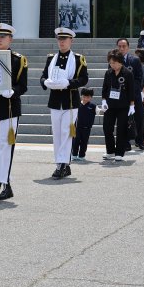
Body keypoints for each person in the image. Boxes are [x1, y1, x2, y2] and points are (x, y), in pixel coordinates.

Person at [0, 22, 28, 204]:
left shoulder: (19, 59)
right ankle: (6, 183)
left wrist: (13, 91)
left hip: (9, 108)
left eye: (3, 37)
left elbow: (23, 85)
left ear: (10, 39)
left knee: (5, 145)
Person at [40, 27, 89, 179]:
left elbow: (83, 79)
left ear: (71, 41)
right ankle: (62, 164)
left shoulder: (77, 59)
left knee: (66, 133)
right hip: (55, 101)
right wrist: (45, 82)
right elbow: (43, 76)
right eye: (59, 39)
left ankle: (62, 164)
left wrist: (68, 83)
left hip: (70, 101)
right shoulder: (51, 58)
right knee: (57, 134)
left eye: (64, 39)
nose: (61, 42)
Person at [100, 49, 136, 161]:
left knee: (121, 129)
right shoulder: (108, 72)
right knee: (107, 128)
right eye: (110, 63)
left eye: (114, 63)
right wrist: (104, 101)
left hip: (123, 106)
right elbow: (105, 87)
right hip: (110, 105)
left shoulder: (127, 73)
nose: (112, 65)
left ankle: (119, 152)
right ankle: (110, 151)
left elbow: (131, 90)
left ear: (120, 62)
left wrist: (132, 105)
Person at [116, 38, 144, 150]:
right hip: (121, 95)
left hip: (134, 94)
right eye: (120, 46)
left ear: (128, 47)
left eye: (124, 46)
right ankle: (126, 143)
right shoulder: (114, 60)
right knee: (123, 119)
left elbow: (139, 77)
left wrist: (132, 88)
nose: (122, 48)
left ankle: (140, 141)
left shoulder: (135, 60)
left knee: (139, 117)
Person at [72, 87, 96, 161]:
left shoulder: (93, 106)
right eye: (84, 96)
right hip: (75, 127)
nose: (85, 98)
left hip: (87, 127)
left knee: (84, 142)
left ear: (91, 97)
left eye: (88, 97)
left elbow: (99, 111)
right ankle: (74, 155)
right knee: (75, 141)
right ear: (81, 96)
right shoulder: (77, 104)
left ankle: (82, 155)